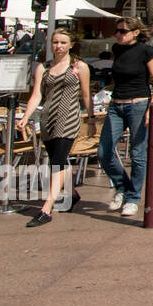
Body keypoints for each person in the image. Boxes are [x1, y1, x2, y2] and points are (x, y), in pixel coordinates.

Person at [19, 29, 92, 227]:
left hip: (68, 118)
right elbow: (36, 95)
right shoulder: (43, 67)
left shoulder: (79, 67)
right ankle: (72, 194)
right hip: (48, 118)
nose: (58, 46)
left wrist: (91, 119)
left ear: (70, 45)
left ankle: (47, 208)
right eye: (55, 42)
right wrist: (26, 117)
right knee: (56, 160)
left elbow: (86, 95)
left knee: (58, 161)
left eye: (62, 42)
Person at [98, 16, 153, 218]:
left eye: (123, 31)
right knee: (104, 151)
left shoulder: (146, 51)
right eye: (117, 31)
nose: (118, 34)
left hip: (138, 104)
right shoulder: (117, 49)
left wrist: (151, 108)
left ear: (135, 33)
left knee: (138, 154)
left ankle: (133, 198)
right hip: (116, 103)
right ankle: (122, 186)